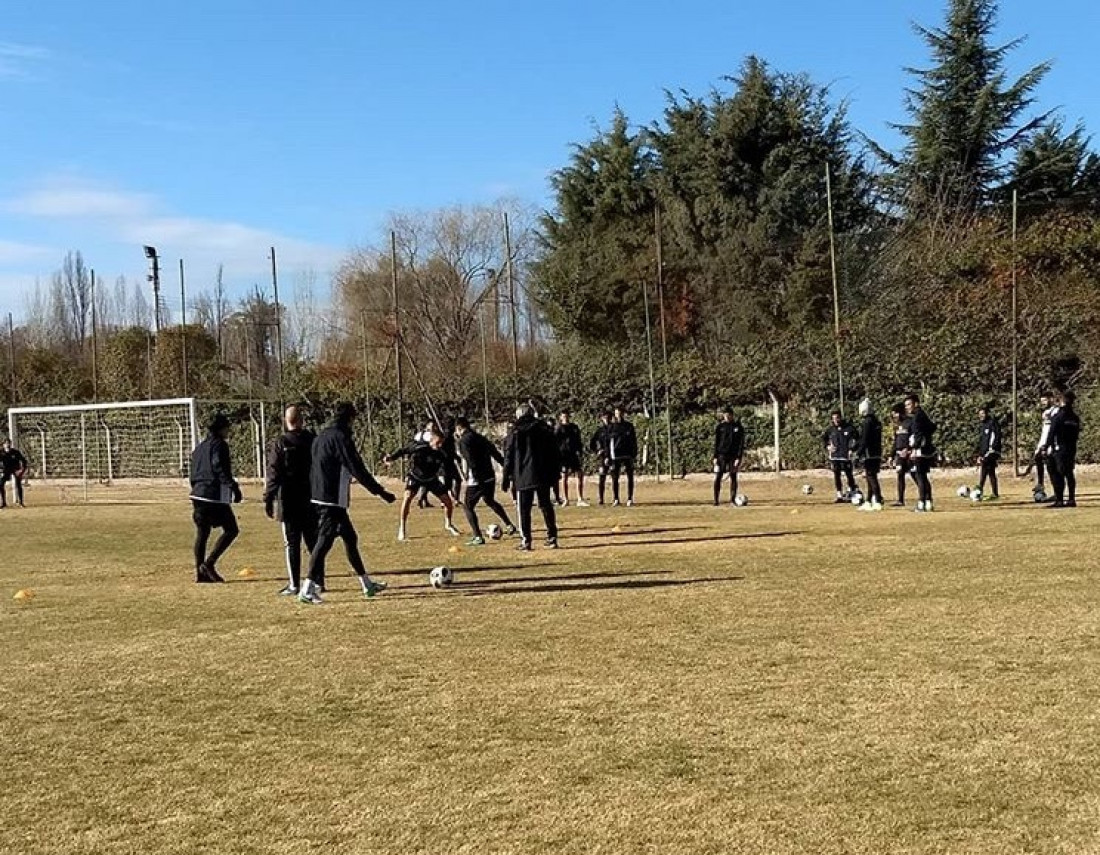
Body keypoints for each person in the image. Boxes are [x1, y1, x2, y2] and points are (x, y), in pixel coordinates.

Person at [299, 402, 396, 605]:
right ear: (350, 419)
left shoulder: (322, 435)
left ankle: (366, 584)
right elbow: (356, 467)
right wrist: (380, 492)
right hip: (331, 498)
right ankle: (306, 589)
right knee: (324, 542)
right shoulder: (340, 438)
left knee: (350, 538)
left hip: (320, 494)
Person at [263, 405, 318, 596]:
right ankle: (317, 581)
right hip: (310, 497)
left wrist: (268, 498)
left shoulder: (281, 442)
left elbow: (273, 473)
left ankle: (294, 584)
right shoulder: (312, 440)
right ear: (301, 420)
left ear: (286, 421)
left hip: (288, 498)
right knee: (313, 541)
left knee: (292, 543)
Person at [188, 413, 242, 583]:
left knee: (202, 533)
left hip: (197, 493)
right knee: (231, 529)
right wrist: (233, 486)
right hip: (212, 494)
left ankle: (200, 573)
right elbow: (219, 467)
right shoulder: (220, 445)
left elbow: (193, 472)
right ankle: (208, 564)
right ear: (221, 428)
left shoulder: (199, 447)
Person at [385, 430, 461, 542]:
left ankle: (448, 524)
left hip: (431, 479)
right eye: (438, 442)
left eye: (441, 443)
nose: (440, 445)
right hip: (415, 477)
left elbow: (447, 469)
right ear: (432, 440)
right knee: (407, 498)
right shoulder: (419, 448)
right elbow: (403, 450)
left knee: (448, 502)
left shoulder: (441, 453)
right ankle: (402, 529)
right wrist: (391, 458)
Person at [502, 404, 560, 550]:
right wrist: (555, 473)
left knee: (524, 509)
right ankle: (552, 537)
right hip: (542, 473)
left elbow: (508, 454)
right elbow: (554, 452)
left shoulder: (515, 430)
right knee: (546, 505)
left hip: (523, 475)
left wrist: (506, 476)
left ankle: (526, 540)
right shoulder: (544, 429)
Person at [455, 416, 517, 545]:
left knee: (468, 506)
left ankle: (478, 536)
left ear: (459, 428)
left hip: (478, 479)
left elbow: (471, 461)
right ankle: (509, 525)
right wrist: (506, 470)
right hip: (490, 475)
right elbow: (494, 452)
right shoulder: (479, 437)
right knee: (489, 500)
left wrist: (475, 478)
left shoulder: (464, 441)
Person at [1046, 390, 1080, 508]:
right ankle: (1071, 499)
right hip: (1071, 448)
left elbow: (1052, 432)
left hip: (1058, 449)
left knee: (1057, 474)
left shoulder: (1058, 416)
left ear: (1063, 401)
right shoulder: (1075, 417)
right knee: (1069, 473)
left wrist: (1046, 447)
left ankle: (1059, 499)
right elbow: (1076, 435)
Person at [904, 393, 937, 512]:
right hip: (926, 449)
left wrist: (914, 448)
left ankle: (921, 502)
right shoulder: (923, 415)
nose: (907, 407)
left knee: (920, 476)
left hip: (920, 451)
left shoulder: (917, 416)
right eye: (906, 405)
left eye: (909, 404)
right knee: (923, 476)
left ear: (915, 404)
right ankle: (928, 501)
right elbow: (933, 427)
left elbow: (917, 434)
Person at [854, 399, 884, 510]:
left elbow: (864, 439)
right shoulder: (876, 421)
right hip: (877, 452)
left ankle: (877, 499)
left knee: (871, 476)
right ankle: (868, 500)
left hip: (869, 453)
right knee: (871, 476)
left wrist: (858, 453)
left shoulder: (867, 422)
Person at [554, 411, 588, 507]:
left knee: (579, 474)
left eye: (567, 416)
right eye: (564, 416)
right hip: (564, 456)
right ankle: (566, 499)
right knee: (564, 476)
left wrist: (580, 451)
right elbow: (555, 442)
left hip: (574, 454)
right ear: (560, 417)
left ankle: (580, 499)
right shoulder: (558, 428)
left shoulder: (574, 427)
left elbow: (578, 440)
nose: (566, 418)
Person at [822, 410, 858, 502]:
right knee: (836, 475)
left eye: (837, 418)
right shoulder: (830, 429)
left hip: (846, 456)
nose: (836, 420)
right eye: (833, 418)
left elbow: (858, 439)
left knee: (849, 474)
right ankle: (839, 494)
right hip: (835, 456)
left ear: (841, 418)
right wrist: (828, 446)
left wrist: (852, 449)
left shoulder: (849, 428)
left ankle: (852, 492)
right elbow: (824, 439)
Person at [712, 408, 745, 506]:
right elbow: (716, 442)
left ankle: (733, 499)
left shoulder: (738, 427)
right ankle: (716, 500)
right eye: (725, 415)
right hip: (721, 455)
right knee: (718, 476)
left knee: (733, 476)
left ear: (731, 415)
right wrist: (715, 456)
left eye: (728, 415)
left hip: (733, 456)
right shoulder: (720, 427)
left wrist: (738, 458)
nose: (726, 416)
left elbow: (741, 444)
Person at [890, 404, 919, 507]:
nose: (894, 416)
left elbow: (914, 438)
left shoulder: (910, 422)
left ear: (900, 412)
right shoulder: (897, 425)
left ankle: (923, 497)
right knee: (900, 475)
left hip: (909, 454)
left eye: (896, 414)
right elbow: (896, 441)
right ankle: (900, 500)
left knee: (915, 475)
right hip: (899, 455)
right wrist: (891, 455)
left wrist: (909, 449)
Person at [608, 406, 638, 506]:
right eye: (617, 413)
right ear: (615, 415)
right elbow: (609, 442)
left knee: (630, 476)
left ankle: (630, 498)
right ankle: (616, 498)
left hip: (627, 454)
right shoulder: (612, 427)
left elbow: (634, 440)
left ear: (623, 414)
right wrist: (608, 456)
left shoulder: (629, 426)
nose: (619, 415)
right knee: (615, 477)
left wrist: (634, 453)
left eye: (620, 413)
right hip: (616, 455)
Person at [1030, 392, 1058, 498]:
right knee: (1038, 459)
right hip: (1044, 443)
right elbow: (1045, 431)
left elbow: (1054, 430)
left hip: (1052, 444)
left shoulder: (1055, 411)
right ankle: (1040, 484)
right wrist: (1040, 445)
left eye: (1045, 400)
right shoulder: (1045, 413)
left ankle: (1057, 492)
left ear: (1051, 399)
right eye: (1041, 401)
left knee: (1052, 468)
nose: (1043, 403)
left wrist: (1049, 444)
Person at [974, 404, 1002, 500]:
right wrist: (980, 454)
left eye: (983, 413)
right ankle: (994, 493)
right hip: (986, 452)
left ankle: (979, 490)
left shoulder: (993, 423)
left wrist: (993, 449)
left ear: (987, 413)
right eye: (979, 414)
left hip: (992, 451)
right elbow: (983, 442)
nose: (981, 416)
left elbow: (996, 436)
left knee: (985, 468)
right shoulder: (983, 425)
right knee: (990, 472)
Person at [589, 410, 613, 505]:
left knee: (614, 477)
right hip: (602, 458)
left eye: (607, 417)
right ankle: (601, 499)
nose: (606, 419)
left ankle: (616, 498)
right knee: (602, 477)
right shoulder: (600, 431)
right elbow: (592, 443)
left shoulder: (614, 429)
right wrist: (597, 451)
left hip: (613, 456)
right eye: (604, 418)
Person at [0, 438, 29, 509]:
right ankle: (3, 503)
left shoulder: (15, 452)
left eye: (8, 443)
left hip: (16, 469)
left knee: (18, 484)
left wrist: (21, 470)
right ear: (3, 445)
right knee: (1, 484)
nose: (7, 445)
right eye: (6, 443)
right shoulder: (1, 452)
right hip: (6, 470)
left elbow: (24, 461)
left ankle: (21, 502)